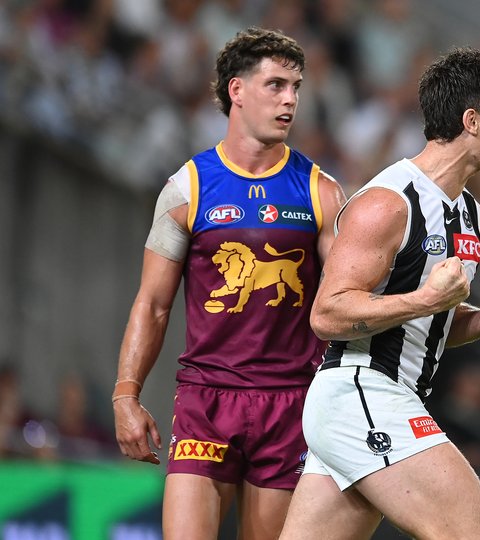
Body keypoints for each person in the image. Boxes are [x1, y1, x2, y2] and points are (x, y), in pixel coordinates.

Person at [280, 47, 480, 540]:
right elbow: (327, 314)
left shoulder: (470, 213)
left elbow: (432, 326)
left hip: (381, 397)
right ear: (471, 121)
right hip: (361, 391)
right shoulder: (387, 203)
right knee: (471, 533)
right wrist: (426, 300)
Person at [111, 27, 346, 540]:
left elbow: (347, 299)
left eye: (296, 87)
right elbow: (152, 304)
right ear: (236, 90)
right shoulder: (186, 189)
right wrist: (125, 396)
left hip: (290, 403)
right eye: (276, 85)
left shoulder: (321, 192)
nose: (291, 100)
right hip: (206, 400)